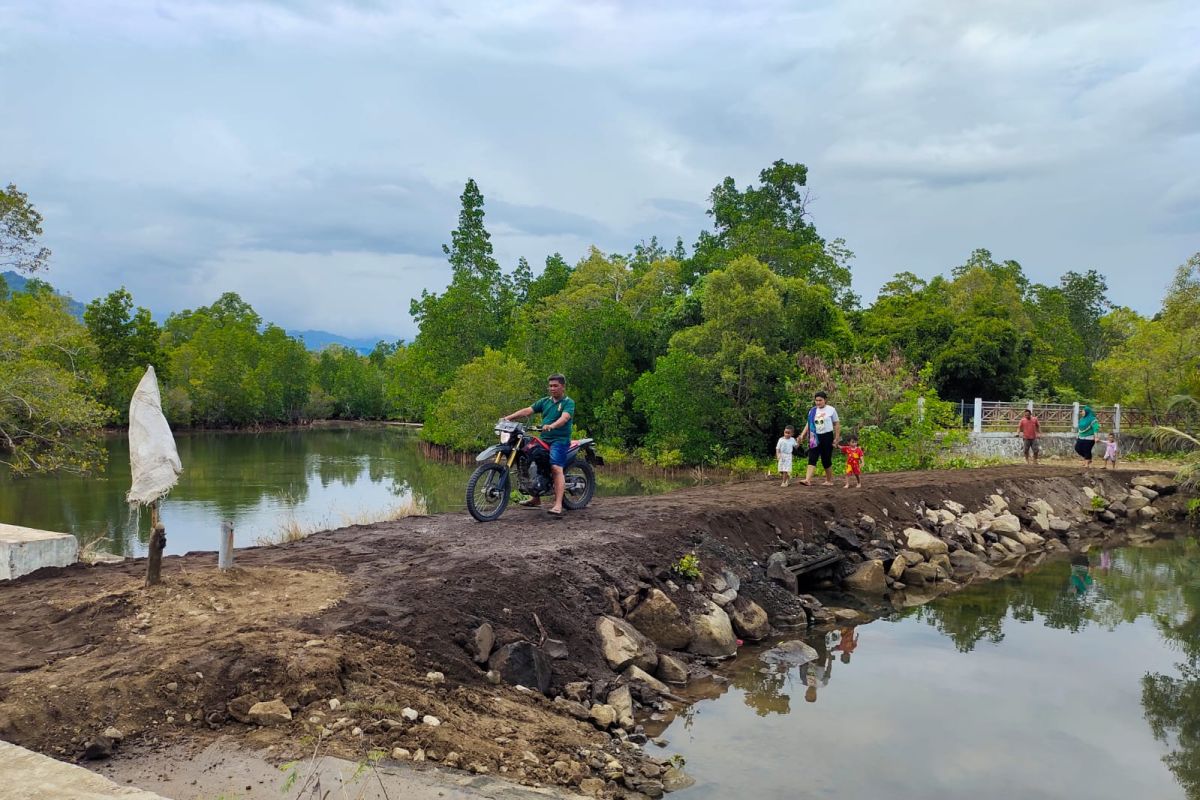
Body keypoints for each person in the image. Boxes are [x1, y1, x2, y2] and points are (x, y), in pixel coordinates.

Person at [502, 373, 575, 517]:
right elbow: (528, 411)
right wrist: (508, 418)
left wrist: (552, 426)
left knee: (556, 468)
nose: (552, 388)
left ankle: (558, 504)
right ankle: (536, 498)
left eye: (555, 386)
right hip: (544, 439)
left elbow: (564, 418)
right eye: (550, 386)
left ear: (563, 387)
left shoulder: (568, 402)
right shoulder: (545, 401)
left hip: (559, 441)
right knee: (529, 458)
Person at [798, 391, 840, 487]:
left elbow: (836, 424)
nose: (818, 402)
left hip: (827, 436)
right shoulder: (812, 411)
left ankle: (829, 480)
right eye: (816, 400)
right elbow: (808, 424)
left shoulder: (831, 410)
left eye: (820, 400)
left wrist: (837, 438)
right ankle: (807, 480)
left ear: (825, 400)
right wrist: (802, 435)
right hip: (814, 436)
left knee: (826, 458)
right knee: (812, 456)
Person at [1075, 405, 1100, 469]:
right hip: (1081, 436)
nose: (1082, 412)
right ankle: (1088, 459)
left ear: (1087, 412)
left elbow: (1095, 428)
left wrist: (1096, 437)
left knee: (1087, 450)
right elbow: (1080, 428)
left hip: (1090, 438)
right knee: (1077, 448)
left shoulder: (1093, 419)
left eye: (1083, 411)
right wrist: (1078, 435)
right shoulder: (1081, 419)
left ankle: (1086, 463)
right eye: (1082, 411)